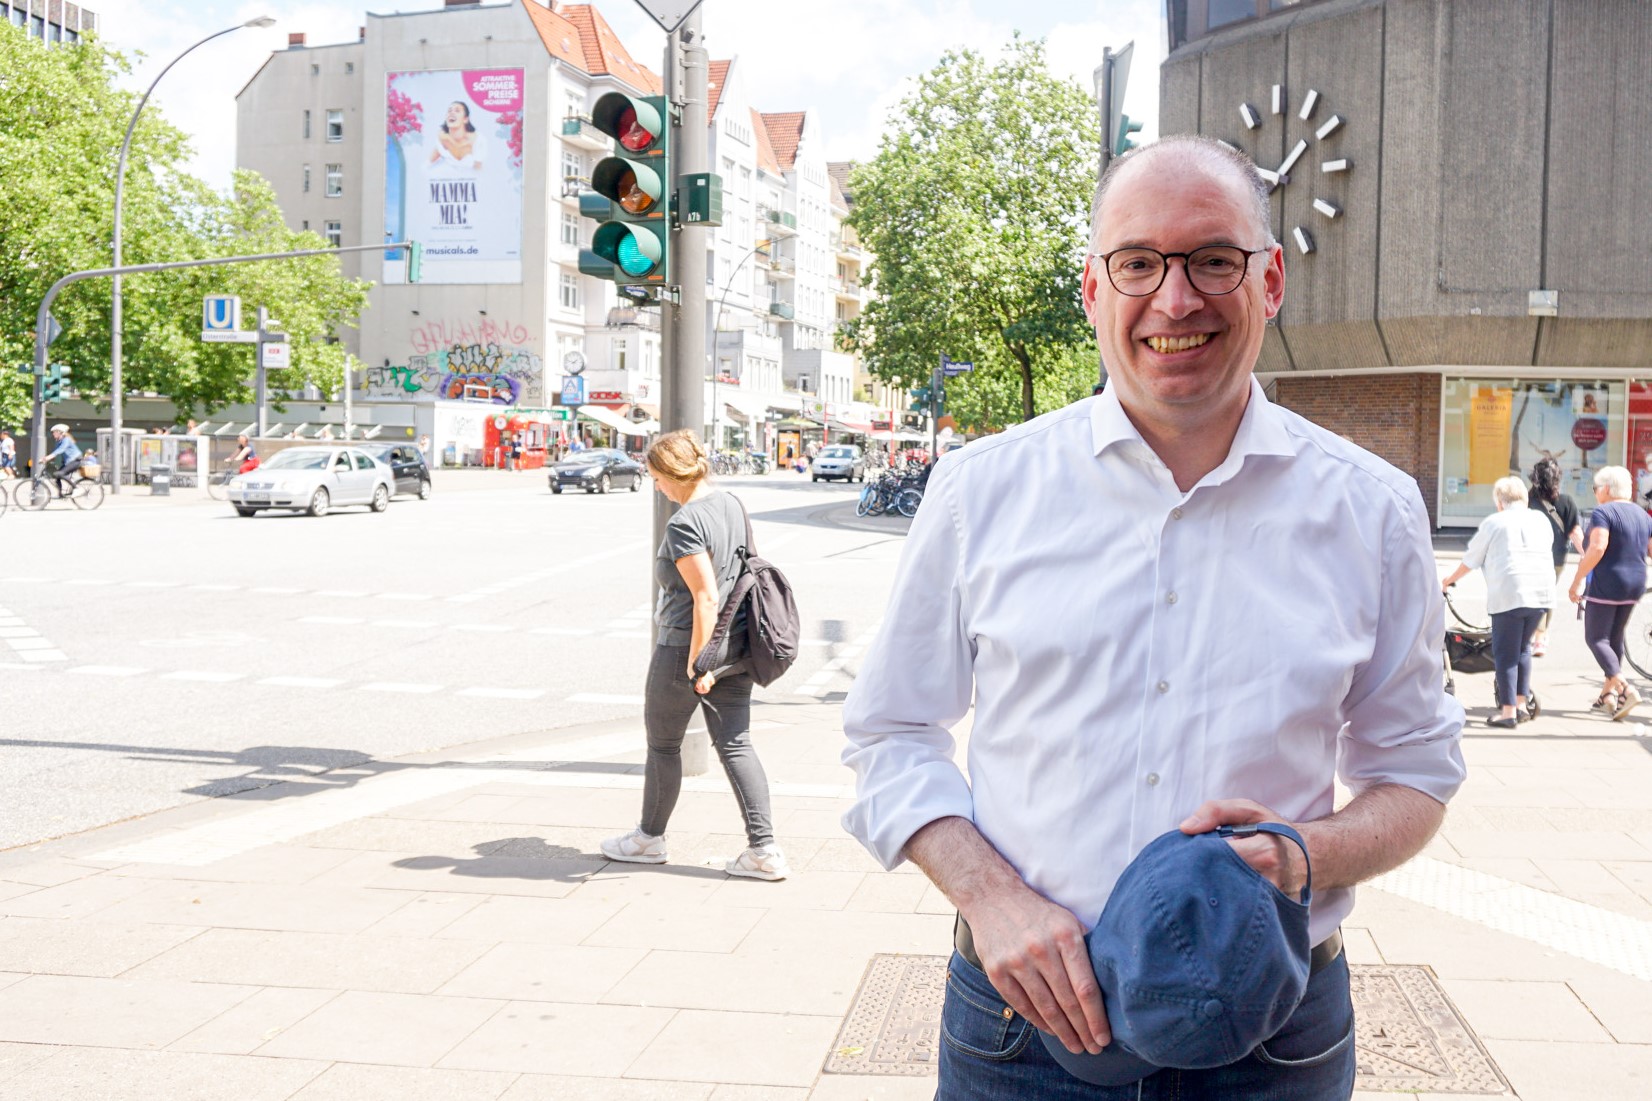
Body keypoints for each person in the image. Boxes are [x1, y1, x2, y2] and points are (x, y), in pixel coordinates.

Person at [841, 135, 1465, 1100]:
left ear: (1270, 283)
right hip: (1023, 1033)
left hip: (1273, 1039)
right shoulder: (980, 492)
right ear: (1093, 290)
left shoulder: (1374, 511)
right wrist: (991, 896)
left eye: (1214, 259)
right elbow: (891, 734)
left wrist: (1299, 856)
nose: (1176, 300)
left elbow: (1416, 774)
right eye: (1139, 263)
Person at [600, 429, 789, 881]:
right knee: (736, 743)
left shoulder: (685, 523)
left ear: (672, 473)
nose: (657, 488)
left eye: (657, 479)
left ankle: (648, 839)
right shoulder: (731, 505)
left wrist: (696, 663)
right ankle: (764, 850)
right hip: (736, 644)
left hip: (687, 646)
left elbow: (704, 596)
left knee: (663, 744)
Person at [1439, 476, 1554, 727]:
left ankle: (1508, 712)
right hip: (1542, 594)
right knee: (1523, 648)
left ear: (1500, 502)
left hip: (1511, 594)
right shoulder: (1540, 520)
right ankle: (1522, 705)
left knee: (1504, 654)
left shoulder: (1495, 522)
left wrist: (1447, 580)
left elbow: (1471, 559)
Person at [1568, 465, 1652, 720]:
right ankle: (1609, 695)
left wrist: (1577, 580)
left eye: (1595, 488)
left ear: (1605, 489)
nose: (1595, 493)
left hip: (1608, 582)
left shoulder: (1603, 512)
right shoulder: (1642, 515)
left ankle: (1625, 688)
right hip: (1635, 581)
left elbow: (1597, 547)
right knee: (1614, 637)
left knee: (1596, 638)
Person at [1528, 458, 1582, 656]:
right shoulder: (1567, 502)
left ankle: (1533, 633)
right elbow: (1575, 532)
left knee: (1533, 594)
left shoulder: (1528, 500)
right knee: (1546, 594)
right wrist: (1587, 555)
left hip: (1530, 556)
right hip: (1556, 559)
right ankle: (1540, 637)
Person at [429, 101, 484, 170]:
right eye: (449, 111)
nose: (452, 113)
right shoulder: (442, 138)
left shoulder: (477, 140)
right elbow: (428, 164)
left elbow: (480, 172)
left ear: (465, 119)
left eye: (457, 111)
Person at [43, 425, 83, 493]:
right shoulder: (59, 442)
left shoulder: (66, 440)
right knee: (56, 475)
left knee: (60, 474)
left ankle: (77, 488)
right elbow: (55, 452)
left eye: (54, 432)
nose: (53, 434)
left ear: (60, 432)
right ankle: (60, 494)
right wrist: (46, 459)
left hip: (76, 461)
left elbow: (60, 450)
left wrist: (48, 457)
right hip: (68, 462)